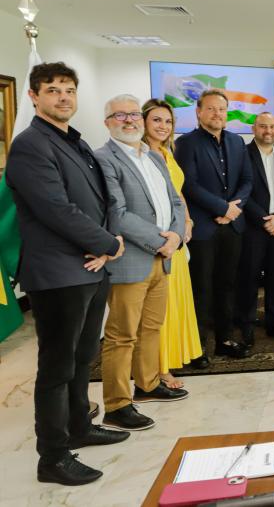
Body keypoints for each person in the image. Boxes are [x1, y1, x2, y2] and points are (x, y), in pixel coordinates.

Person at [6, 62, 128, 485]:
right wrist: (108, 244)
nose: (63, 97)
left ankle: (80, 425)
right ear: (33, 96)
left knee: (82, 357)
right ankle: (53, 456)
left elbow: (101, 200)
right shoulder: (30, 145)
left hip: (90, 268)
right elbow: (55, 209)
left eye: (69, 90)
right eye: (53, 90)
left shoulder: (72, 141)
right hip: (58, 273)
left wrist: (105, 242)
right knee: (56, 367)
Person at [95, 94, 189, 432]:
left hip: (162, 258)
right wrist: (160, 240)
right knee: (122, 335)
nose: (130, 120)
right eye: (120, 115)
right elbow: (116, 213)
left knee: (151, 328)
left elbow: (175, 202)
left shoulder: (154, 157)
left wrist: (176, 238)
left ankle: (148, 385)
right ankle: (117, 405)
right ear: (108, 122)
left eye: (134, 114)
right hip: (131, 259)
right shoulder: (104, 159)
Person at [174, 89, 252, 360]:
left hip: (232, 228)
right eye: (211, 109)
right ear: (198, 112)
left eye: (222, 109)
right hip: (204, 229)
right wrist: (223, 208)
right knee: (202, 289)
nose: (217, 114)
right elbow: (189, 185)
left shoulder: (237, 142)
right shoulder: (186, 143)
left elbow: (247, 180)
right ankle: (198, 349)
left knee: (227, 285)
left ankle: (225, 339)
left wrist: (233, 210)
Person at [141, 98, 203, 387]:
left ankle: (173, 357)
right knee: (159, 310)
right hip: (158, 239)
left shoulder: (168, 152)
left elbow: (178, 194)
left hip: (177, 238)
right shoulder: (139, 154)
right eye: (156, 120)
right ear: (143, 122)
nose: (163, 126)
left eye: (167, 121)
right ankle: (159, 369)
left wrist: (187, 222)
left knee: (175, 301)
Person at [235, 113, 274, 344]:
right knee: (249, 278)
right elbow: (242, 192)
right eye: (263, 126)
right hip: (254, 228)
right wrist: (265, 220)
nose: (268, 131)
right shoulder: (242, 154)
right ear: (254, 128)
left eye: (272, 127)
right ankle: (247, 326)